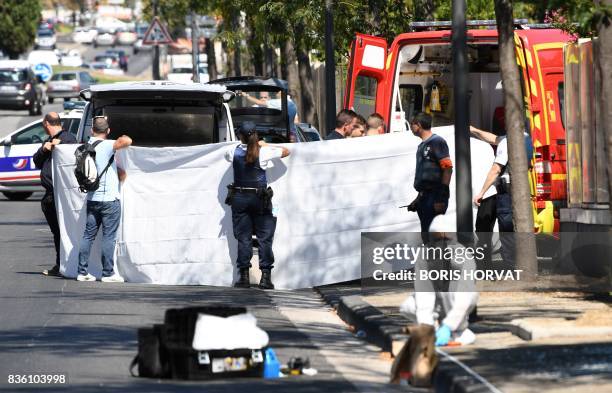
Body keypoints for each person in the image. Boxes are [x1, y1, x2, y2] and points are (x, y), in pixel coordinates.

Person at [225, 121, 290, 289]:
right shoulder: (264, 151)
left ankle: (244, 277)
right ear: (255, 135)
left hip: (239, 198)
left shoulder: (232, 151)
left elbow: (229, 155)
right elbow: (286, 151)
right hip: (261, 199)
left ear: (240, 135)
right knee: (265, 238)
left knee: (243, 238)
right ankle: (266, 278)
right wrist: (264, 143)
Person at [400, 215, 479, 347]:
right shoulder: (424, 256)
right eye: (436, 238)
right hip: (436, 304)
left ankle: (457, 330)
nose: (440, 242)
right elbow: (423, 291)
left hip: (455, 301)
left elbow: (465, 295)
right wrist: (427, 326)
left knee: (465, 294)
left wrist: (448, 326)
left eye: (445, 238)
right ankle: (435, 329)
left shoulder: (465, 257)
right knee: (408, 306)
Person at [76, 117, 132, 282]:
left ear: (92, 131)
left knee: (88, 236)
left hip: (92, 198)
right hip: (109, 200)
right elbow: (128, 140)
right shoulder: (108, 145)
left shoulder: (86, 147)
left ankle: (82, 272)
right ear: (108, 131)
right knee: (109, 236)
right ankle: (108, 273)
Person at [470, 125, 533, 266]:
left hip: (507, 190)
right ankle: (522, 266)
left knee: (507, 230)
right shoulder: (527, 138)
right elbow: (494, 139)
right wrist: (474, 130)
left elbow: (495, 170)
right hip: (520, 189)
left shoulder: (507, 142)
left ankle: (511, 267)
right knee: (517, 228)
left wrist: (481, 192)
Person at [33, 112, 77, 277]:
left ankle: (65, 264)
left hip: (61, 194)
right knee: (56, 232)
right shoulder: (47, 141)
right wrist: (45, 149)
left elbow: (72, 152)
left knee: (63, 230)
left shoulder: (67, 138)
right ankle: (61, 264)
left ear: (46, 123)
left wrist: (61, 145)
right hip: (50, 194)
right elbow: (36, 160)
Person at [406, 113, 453, 234]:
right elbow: (425, 179)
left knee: (436, 237)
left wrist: (441, 197)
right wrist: (417, 200)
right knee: (427, 236)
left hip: (435, 196)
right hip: (425, 197)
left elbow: (447, 169)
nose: (411, 127)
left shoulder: (437, 142)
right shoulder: (422, 145)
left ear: (418, 125)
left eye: (412, 124)